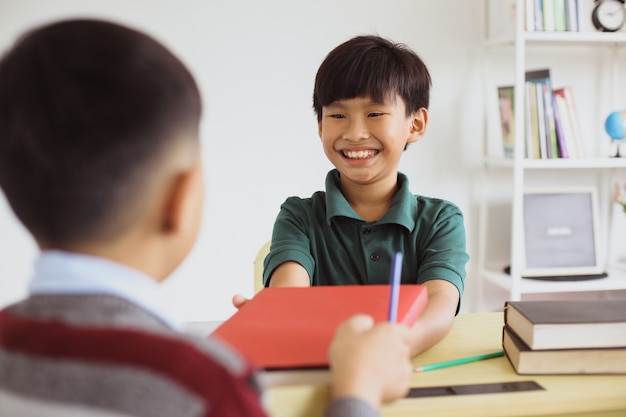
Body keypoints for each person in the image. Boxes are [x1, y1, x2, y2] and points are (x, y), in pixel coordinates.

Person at [0, 20, 412, 417]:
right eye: (338, 114)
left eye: (374, 114)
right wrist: (358, 389)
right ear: (179, 199)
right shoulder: (204, 383)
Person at [235, 35, 469, 358]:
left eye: (374, 114)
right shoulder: (298, 217)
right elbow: (289, 294)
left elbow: (439, 303)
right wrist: (278, 315)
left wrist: (390, 347)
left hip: (407, 371)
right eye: (338, 115)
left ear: (415, 124)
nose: (355, 132)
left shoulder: (441, 220)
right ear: (320, 126)